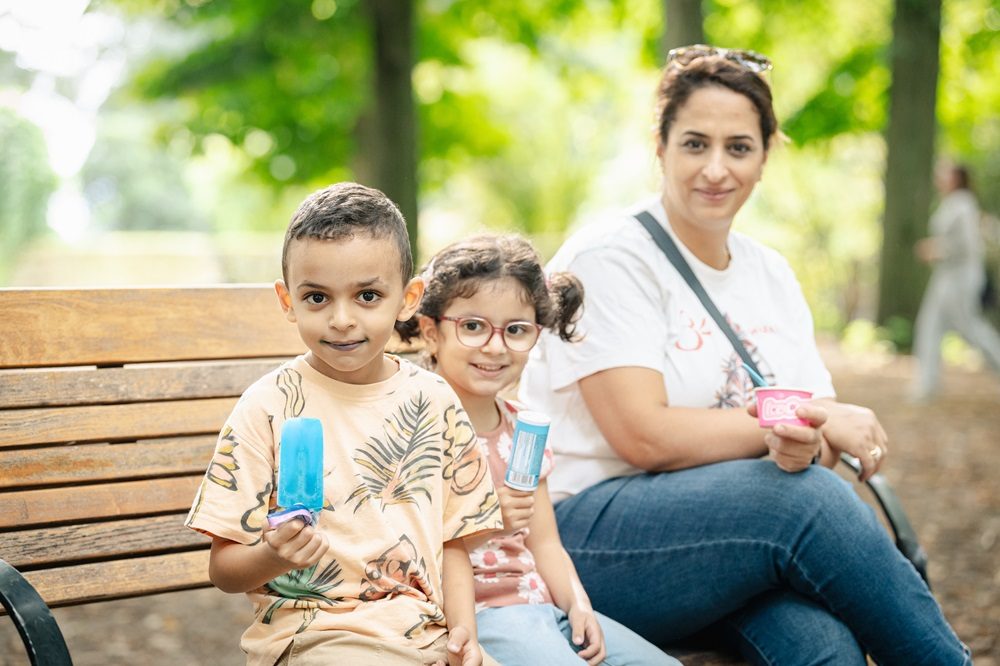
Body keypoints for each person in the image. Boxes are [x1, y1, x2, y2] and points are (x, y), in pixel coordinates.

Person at [519, 45, 971, 664]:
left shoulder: (771, 274)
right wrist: (780, 427)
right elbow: (642, 436)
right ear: (661, 148)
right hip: (587, 539)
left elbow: (820, 430)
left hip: (730, 539)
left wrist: (801, 441)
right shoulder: (611, 257)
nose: (715, 169)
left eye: (738, 147)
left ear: (764, 156)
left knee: (823, 647)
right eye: (695, 144)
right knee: (805, 503)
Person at [185, 182, 504, 666]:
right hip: (316, 637)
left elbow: (453, 541)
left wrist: (464, 636)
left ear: (408, 298)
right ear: (287, 300)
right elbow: (224, 571)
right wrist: (274, 555)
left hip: (425, 635)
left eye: (368, 295)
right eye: (316, 298)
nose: (340, 319)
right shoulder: (267, 407)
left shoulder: (434, 400)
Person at [401, 234, 680, 665]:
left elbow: (545, 543)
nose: (495, 347)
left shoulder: (523, 430)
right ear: (431, 331)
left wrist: (578, 605)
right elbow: (406, 547)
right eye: (473, 326)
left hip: (541, 608)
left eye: (516, 330)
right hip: (478, 617)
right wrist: (489, 523)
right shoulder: (414, 428)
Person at [912, 159, 1000, 401]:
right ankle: (926, 386)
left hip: (961, 278)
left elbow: (970, 246)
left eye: (945, 172)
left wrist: (938, 250)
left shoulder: (963, 204)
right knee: (929, 325)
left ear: (957, 177)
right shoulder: (949, 203)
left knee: (970, 328)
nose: (938, 176)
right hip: (944, 276)